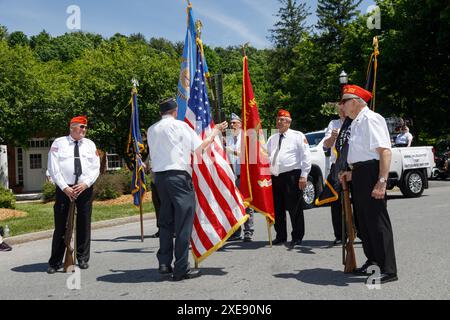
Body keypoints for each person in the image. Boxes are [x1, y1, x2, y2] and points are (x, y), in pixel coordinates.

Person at [147, 97, 228, 281]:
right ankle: (181, 267)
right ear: (175, 111)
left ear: (161, 112)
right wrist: (214, 132)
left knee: (165, 222)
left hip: (160, 178)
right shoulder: (181, 126)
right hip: (178, 177)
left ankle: (164, 262)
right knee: (183, 223)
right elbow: (198, 148)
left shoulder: (152, 129)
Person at [339, 84, 398, 284]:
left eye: (344, 102)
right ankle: (373, 262)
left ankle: (388, 268)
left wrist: (381, 181)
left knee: (377, 222)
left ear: (354, 102)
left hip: (373, 173)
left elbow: (384, 152)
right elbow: (362, 155)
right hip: (360, 173)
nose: (342, 106)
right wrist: (351, 173)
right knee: (363, 222)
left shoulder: (371, 119)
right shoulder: (356, 122)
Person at [46, 116, 100, 274]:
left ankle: (82, 258)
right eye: (81, 127)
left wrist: (86, 184)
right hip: (65, 189)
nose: (84, 130)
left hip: (84, 188)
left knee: (84, 223)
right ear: (72, 127)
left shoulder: (90, 144)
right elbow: (53, 167)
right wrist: (64, 187)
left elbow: (95, 167)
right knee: (61, 225)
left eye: (85, 127)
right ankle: (55, 261)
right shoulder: (59, 143)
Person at [267, 109, 311, 248]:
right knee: (278, 208)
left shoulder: (297, 136)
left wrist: (304, 175)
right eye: (278, 119)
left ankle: (297, 236)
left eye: (282, 120)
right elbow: (266, 157)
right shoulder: (272, 138)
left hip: (292, 175)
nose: (279, 122)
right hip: (275, 176)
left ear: (288, 122)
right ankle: (280, 235)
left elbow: (306, 156)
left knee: (294, 207)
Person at [225, 113, 254, 242]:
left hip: (244, 176)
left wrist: (232, 151)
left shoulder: (246, 137)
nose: (232, 125)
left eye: (235, 123)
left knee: (247, 204)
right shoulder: (229, 137)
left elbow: (250, 156)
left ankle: (248, 231)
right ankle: (236, 232)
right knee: (234, 205)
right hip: (232, 175)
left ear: (241, 124)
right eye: (231, 123)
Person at [323, 104, 346, 245]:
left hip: (352, 165)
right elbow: (325, 145)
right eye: (340, 109)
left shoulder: (355, 122)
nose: (342, 111)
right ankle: (340, 235)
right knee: (336, 201)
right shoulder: (334, 124)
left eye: (344, 108)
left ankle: (361, 233)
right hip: (337, 166)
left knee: (357, 200)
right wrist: (332, 137)